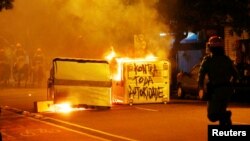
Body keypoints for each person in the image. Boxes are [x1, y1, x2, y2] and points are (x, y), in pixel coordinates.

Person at [198, 35, 238, 126]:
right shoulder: (226, 59)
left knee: (212, 116)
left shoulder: (208, 60)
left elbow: (201, 75)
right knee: (221, 111)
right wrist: (231, 85)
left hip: (214, 91)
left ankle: (226, 116)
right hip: (226, 90)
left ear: (210, 47)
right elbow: (236, 75)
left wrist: (200, 87)